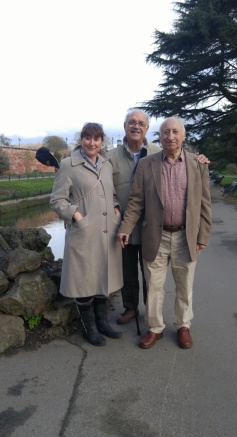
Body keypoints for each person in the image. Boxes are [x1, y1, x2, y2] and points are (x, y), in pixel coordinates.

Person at [117, 116, 212, 349]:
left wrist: (203, 236)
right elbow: (136, 201)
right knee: (155, 287)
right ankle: (155, 328)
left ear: (183, 136)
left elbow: (204, 204)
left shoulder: (197, 164)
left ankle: (183, 326)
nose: (170, 136)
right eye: (166, 132)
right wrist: (125, 228)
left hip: (185, 236)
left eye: (175, 132)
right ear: (159, 136)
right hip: (155, 237)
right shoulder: (147, 164)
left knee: (184, 286)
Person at [50, 122, 123, 346]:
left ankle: (102, 323)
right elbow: (57, 200)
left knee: (102, 276)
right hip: (83, 233)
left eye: (97, 139)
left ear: (102, 142)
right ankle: (89, 328)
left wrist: (116, 208)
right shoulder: (68, 165)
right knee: (84, 280)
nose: (92, 143)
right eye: (88, 138)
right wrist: (76, 216)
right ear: (81, 139)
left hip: (106, 231)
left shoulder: (107, 165)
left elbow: (109, 192)